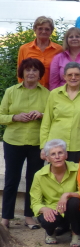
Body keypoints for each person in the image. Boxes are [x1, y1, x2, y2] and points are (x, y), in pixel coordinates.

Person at [0, 58, 50, 229]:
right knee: (11, 179)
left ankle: (29, 216)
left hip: (36, 142)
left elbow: (52, 118)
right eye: (28, 70)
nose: (31, 73)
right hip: (13, 141)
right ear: (22, 72)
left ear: (39, 74)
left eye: (35, 70)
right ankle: (6, 217)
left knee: (33, 180)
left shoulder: (47, 94)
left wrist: (42, 114)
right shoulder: (11, 91)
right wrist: (15, 117)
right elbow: (0, 116)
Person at [40, 62, 80, 163]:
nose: (73, 77)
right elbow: (46, 122)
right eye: (70, 75)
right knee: (56, 177)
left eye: (77, 74)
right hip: (56, 147)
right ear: (64, 77)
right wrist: (43, 146)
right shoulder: (54, 94)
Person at [30, 139, 80, 247]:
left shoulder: (78, 169)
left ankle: (76, 233)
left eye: (60, 153)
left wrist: (67, 194)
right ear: (47, 158)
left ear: (66, 155)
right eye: (53, 154)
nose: (57, 157)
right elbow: (35, 202)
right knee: (47, 219)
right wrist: (44, 209)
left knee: (74, 201)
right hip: (53, 209)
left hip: (72, 209)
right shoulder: (39, 175)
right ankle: (50, 232)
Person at [17, 16, 63, 88]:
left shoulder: (59, 49)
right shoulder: (24, 49)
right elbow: (20, 73)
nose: (43, 31)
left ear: (51, 31)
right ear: (35, 29)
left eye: (47, 29)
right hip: (31, 90)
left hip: (52, 90)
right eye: (40, 28)